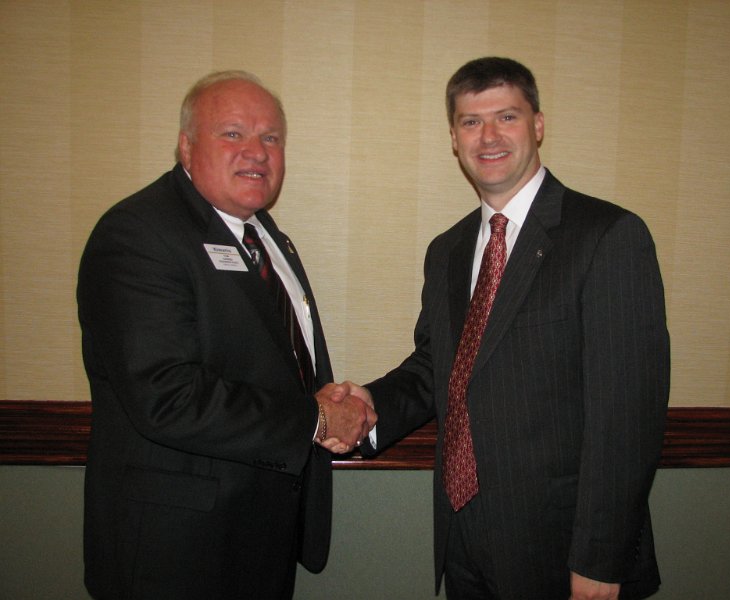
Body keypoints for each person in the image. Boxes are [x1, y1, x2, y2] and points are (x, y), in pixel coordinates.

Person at [331, 57, 670, 599]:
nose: (488, 136)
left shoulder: (607, 236)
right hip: (463, 538)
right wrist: (370, 403)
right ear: (454, 138)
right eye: (471, 121)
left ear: (538, 125)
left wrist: (601, 559)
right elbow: (438, 366)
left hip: (564, 549)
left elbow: (628, 418)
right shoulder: (447, 250)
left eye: (506, 117)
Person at [77, 70, 375, 600]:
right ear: (186, 147)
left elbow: (273, 363)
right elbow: (167, 397)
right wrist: (316, 418)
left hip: (258, 536)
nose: (256, 152)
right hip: (174, 552)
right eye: (233, 133)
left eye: (271, 137)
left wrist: (326, 403)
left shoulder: (266, 236)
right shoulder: (138, 234)